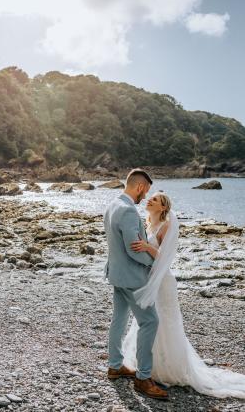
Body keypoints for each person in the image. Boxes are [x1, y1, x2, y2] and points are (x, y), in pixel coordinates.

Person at [123, 192, 245, 399]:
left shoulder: (166, 226)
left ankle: (167, 368)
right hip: (150, 278)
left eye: (156, 200)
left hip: (163, 281)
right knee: (147, 321)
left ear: (163, 208)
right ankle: (147, 365)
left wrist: (146, 247)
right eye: (150, 198)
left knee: (163, 322)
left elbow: (165, 257)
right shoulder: (147, 225)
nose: (150, 200)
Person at [104, 168, 168, 400]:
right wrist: (153, 261)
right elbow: (134, 250)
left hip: (116, 274)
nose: (145, 197)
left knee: (119, 319)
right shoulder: (129, 211)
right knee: (150, 321)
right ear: (140, 187)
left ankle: (114, 365)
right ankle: (143, 378)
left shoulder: (112, 205)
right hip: (132, 277)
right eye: (146, 191)